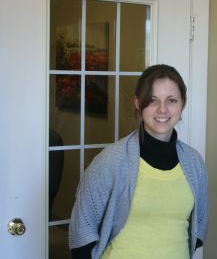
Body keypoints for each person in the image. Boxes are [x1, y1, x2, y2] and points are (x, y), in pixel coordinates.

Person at [69, 64, 208, 259]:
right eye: (152, 100)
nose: (162, 109)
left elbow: (199, 228)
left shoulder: (194, 163)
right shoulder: (110, 161)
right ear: (137, 103)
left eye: (171, 100)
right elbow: (82, 235)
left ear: (183, 104)